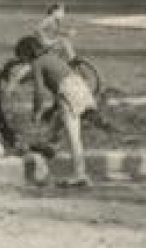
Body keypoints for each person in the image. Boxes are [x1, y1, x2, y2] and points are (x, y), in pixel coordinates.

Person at [12, 35, 93, 188]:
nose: (23, 62)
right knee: (57, 126)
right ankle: (48, 152)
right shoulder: (51, 57)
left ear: (27, 53)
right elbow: (59, 80)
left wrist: (36, 112)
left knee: (73, 136)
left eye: (22, 57)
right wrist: (52, 108)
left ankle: (79, 174)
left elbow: (39, 92)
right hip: (80, 89)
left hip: (68, 94)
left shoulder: (37, 63)